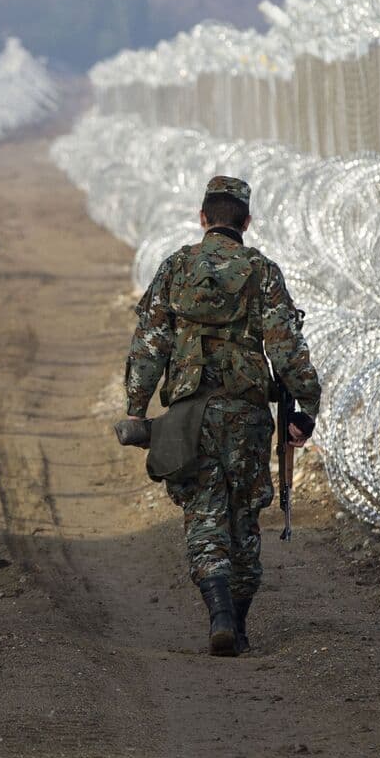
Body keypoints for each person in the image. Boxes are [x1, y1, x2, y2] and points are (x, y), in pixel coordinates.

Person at [121, 175, 319, 656]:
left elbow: (150, 345)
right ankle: (240, 625)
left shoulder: (176, 268)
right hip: (247, 415)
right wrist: (306, 406)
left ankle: (220, 615)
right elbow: (285, 346)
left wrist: (135, 408)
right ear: (245, 221)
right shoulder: (262, 272)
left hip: (190, 417)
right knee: (245, 517)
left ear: (203, 217)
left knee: (205, 514)